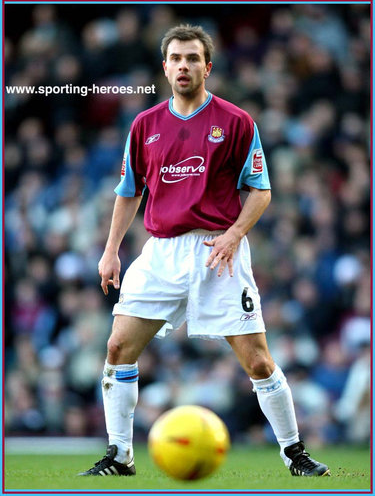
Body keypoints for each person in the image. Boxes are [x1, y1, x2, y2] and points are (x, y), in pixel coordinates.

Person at [79, 24, 330, 478]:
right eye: (175, 58)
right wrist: (111, 250)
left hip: (219, 250)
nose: (183, 66)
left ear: (207, 67)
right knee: (117, 348)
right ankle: (120, 455)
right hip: (160, 251)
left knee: (257, 359)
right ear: (164, 67)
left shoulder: (236, 122)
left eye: (192, 59)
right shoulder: (145, 125)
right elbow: (128, 191)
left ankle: (295, 453)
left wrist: (235, 234)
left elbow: (261, 191)